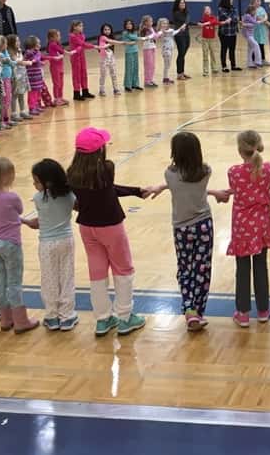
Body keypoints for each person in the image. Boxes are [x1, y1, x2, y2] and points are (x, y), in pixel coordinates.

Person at [67, 126, 150, 337]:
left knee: (97, 272)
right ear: (99, 149)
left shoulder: (72, 173)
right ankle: (125, 317)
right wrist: (137, 191)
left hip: (87, 227)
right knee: (123, 269)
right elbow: (110, 190)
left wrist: (135, 192)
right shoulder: (106, 168)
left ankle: (103, 319)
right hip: (111, 226)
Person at [149, 132, 225, 332]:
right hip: (203, 226)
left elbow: (178, 184)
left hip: (181, 228)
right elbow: (194, 186)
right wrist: (215, 192)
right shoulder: (206, 171)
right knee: (202, 268)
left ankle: (189, 308)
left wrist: (162, 187)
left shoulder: (169, 174)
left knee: (185, 268)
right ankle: (198, 311)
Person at [0, 157, 38, 333]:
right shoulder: (11, 197)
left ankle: (5, 319)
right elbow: (17, 210)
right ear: (4, 177)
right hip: (11, 245)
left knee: (0, 282)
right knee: (14, 283)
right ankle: (20, 321)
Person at [226, 130, 270, 327]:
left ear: (240, 150)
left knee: (242, 269)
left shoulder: (233, 171)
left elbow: (238, 188)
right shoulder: (269, 169)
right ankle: (263, 310)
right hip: (262, 224)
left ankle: (243, 313)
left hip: (242, 226)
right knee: (261, 266)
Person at [23, 158, 78, 331]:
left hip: (47, 243)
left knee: (49, 279)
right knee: (67, 278)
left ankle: (52, 316)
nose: (34, 184)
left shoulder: (38, 198)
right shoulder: (70, 196)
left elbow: (42, 221)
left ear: (47, 182)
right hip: (66, 241)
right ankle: (67, 316)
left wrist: (29, 222)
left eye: (36, 181)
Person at [68, 20, 96, 100]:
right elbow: (82, 44)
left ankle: (85, 91)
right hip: (75, 57)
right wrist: (94, 46)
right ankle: (76, 93)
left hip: (82, 55)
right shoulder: (72, 36)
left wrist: (88, 46)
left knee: (84, 73)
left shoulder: (82, 35)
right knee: (76, 75)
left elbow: (82, 46)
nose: (82, 27)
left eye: (82, 26)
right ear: (74, 27)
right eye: (80, 26)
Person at [96, 23, 122, 96]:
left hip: (111, 57)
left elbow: (112, 46)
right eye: (105, 29)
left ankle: (116, 89)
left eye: (108, 29)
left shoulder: (112, 38)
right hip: (103, 58)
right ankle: (101, 90)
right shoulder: (101, 37)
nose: (107, 31)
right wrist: (122, 42)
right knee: (103, 74)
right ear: (102, 30)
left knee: (113, 73)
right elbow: (102, 47)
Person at [157, 17, 185, 83]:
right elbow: (158, 35)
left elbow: (174, 32)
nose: (165, 25)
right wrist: (162, 32)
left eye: (166, 23)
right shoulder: (160, 32)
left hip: (171, 49)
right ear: (160, 24)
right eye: (163, 23)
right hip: (166, 50)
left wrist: (180, 29)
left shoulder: (170, 30)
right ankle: (165, 78)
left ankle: (166, 77)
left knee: (168, 64)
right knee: (167, 65)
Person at [171, 0, 192, 79]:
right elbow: (184, 19)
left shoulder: (186, 12)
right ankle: (179, 73)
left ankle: (182, 72)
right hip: (179, 35)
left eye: (184, 3)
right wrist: (185, 23)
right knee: (181, 53)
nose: (183, 4)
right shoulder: (176, 13)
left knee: (183, 53)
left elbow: (188, 19)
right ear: (178, 4)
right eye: (181, 3)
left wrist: (185, 24)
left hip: (186, 34)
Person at [46, 28, 69, 104]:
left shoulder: (57, 44)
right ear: (52, 38)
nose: (60, 37)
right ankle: (56, 99)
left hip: (60, 66)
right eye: (58, 36)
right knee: (57, 83)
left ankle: (60, 97)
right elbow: (62, 51)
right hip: (55, 67)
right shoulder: (52, 45)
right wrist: (68, 52)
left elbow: (61, 51)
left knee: (61, 83)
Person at [218, 0, 239, 72]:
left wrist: (231, 19)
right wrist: (231, 18)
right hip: (224, 32)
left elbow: (236, 18)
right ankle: (224, 66)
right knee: (224, 49)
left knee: (232, 49)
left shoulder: (234, 8)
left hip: (233, 32)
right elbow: (225, 17)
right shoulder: (221, 9)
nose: (232, 1)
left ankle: (233, 65)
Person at [121, 19, 142, 91]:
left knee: (136, 68)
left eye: (130, 24)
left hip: (135, 51)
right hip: (129, 52)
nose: (129, 25)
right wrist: (134, 41)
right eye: (127, 24)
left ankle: (135, 84)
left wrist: (135, 41)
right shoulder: (125, 33)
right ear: (125, 25)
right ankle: (127, 85)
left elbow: (135, 40)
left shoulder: (135, 32)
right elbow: (127, 42)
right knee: (129, 69)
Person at [198, 7, 220, 75]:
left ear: (211, 11)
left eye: (208, 10)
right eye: (206, 10)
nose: (207, 11)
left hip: (212, 39)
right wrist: (200, 24)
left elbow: (215, 22)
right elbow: (199, 22)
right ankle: (205, 70)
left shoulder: (213, 17)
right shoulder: (203, 18)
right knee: (205, 54)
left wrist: (205, 24)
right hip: (205, 39)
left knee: (213, 53)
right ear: (204, 11)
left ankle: (214, 68)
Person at [252, 0, 269, 66]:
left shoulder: (262, 8)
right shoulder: (252, 8)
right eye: (257, 1)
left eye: (260, 1)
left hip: (262, 28)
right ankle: (254, 60)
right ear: (254, 1)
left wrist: (264, 20)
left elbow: (266, 16)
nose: (259, 2)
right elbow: (257, 17)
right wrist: (263, 20)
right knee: (255, 44)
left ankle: (263, 59)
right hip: (255, 29)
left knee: (261, 44)